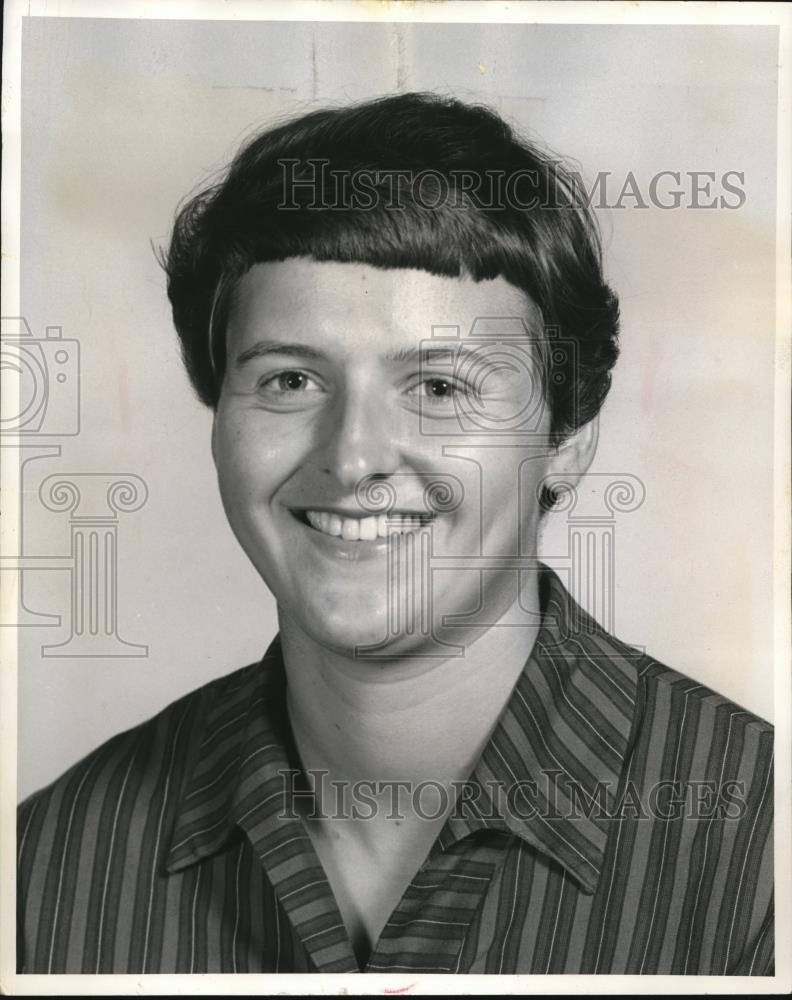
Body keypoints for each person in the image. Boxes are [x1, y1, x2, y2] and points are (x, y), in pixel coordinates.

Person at [17, 92, 773, 975]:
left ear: (565, 442)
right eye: (291, 380)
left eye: (441, 387)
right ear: (218, 417)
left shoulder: (761, 853)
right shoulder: (50, 866)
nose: (353, 457)